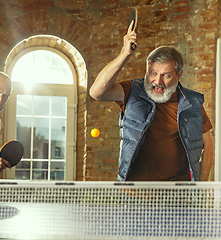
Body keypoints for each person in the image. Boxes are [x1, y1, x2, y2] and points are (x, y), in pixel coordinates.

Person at [89, 21, 213, 181]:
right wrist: (124, 54)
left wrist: (201, 187)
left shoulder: (192, 102)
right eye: (153, 73)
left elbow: (207, 145)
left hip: (177, 197)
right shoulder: (132, 90)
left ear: (178, 75)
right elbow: (96, 92)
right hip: (134, 197)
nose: (157, 81)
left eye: (166, 75)